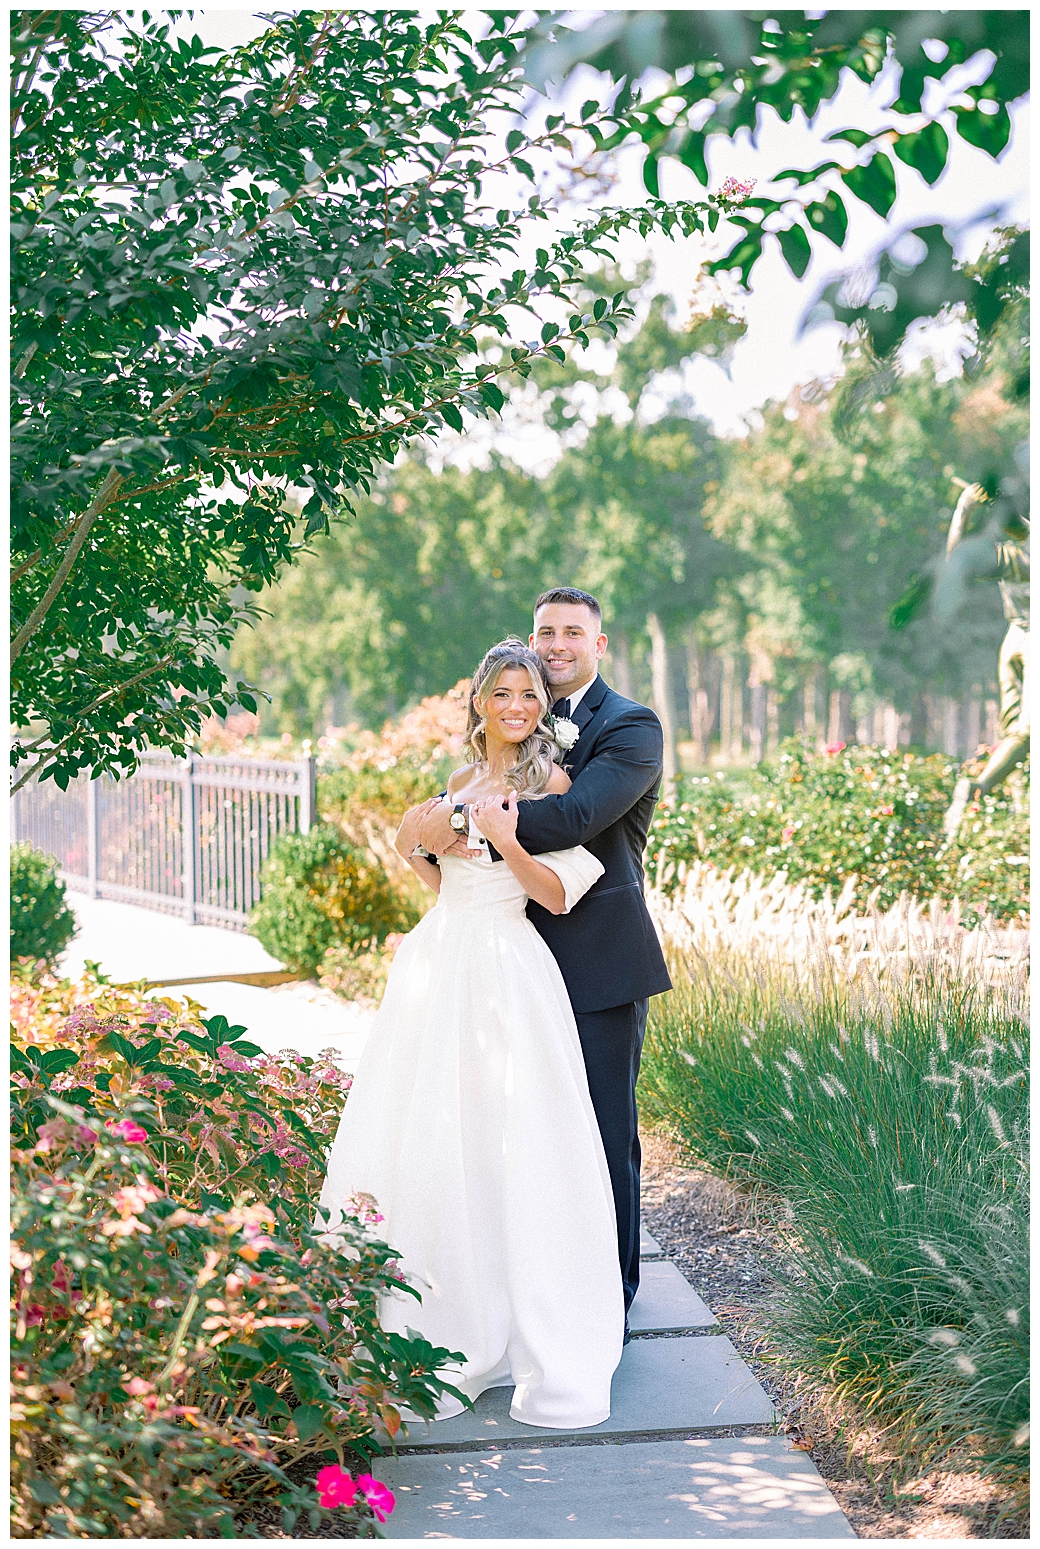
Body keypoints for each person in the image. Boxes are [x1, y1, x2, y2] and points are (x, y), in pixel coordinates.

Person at [317, 639, 624, 1429]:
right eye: (504, 693)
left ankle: (527, 1323)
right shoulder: (455, 781)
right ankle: (445, 1314)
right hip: (438, 961)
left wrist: (511, 839)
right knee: (434, 1134)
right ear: (480, 702)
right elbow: (439, 877)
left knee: (513, 1138)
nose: (518, 706)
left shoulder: (555, 782)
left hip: (507, 967)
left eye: (530, 694)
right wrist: (421, 845)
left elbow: (555, 896)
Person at [420, 588, 672, 1327]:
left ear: (600, 644)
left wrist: (454, 816)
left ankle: (611, 1305)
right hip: (509, 959)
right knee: (523, 1137)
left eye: (572, 632)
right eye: (544, 632)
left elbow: (577, 815)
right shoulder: (520, 722)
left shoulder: (632, 726)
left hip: (596, 960)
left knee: (599, 1134)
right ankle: (529, 1300)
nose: (557, 644)